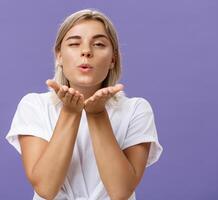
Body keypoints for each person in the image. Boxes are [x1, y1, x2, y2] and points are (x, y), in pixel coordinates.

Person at [5, 9, 163, 200]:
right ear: (59, 56)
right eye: (74, 43)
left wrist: (97, 115)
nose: (86, 51)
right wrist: (70, 113)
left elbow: (121, 192)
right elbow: (46, 188)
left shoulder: (136, 109)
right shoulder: (34, 105)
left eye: (98, 44)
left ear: (113, 59)